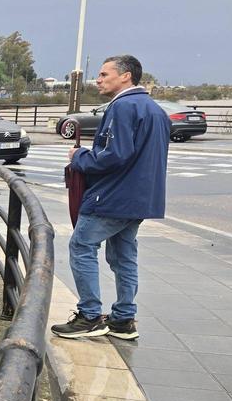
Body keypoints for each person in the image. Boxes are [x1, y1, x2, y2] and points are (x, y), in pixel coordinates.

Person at [51, 54, 169, 340]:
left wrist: (79, 157)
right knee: (124, 255)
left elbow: (114, 156)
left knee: (81, 246)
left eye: (104, 74)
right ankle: (123, 318)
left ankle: (90, 315)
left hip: (112, 196)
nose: (99, 79)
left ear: (125, 76)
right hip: (141, 198)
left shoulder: (122, 107)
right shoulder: (156, 111)